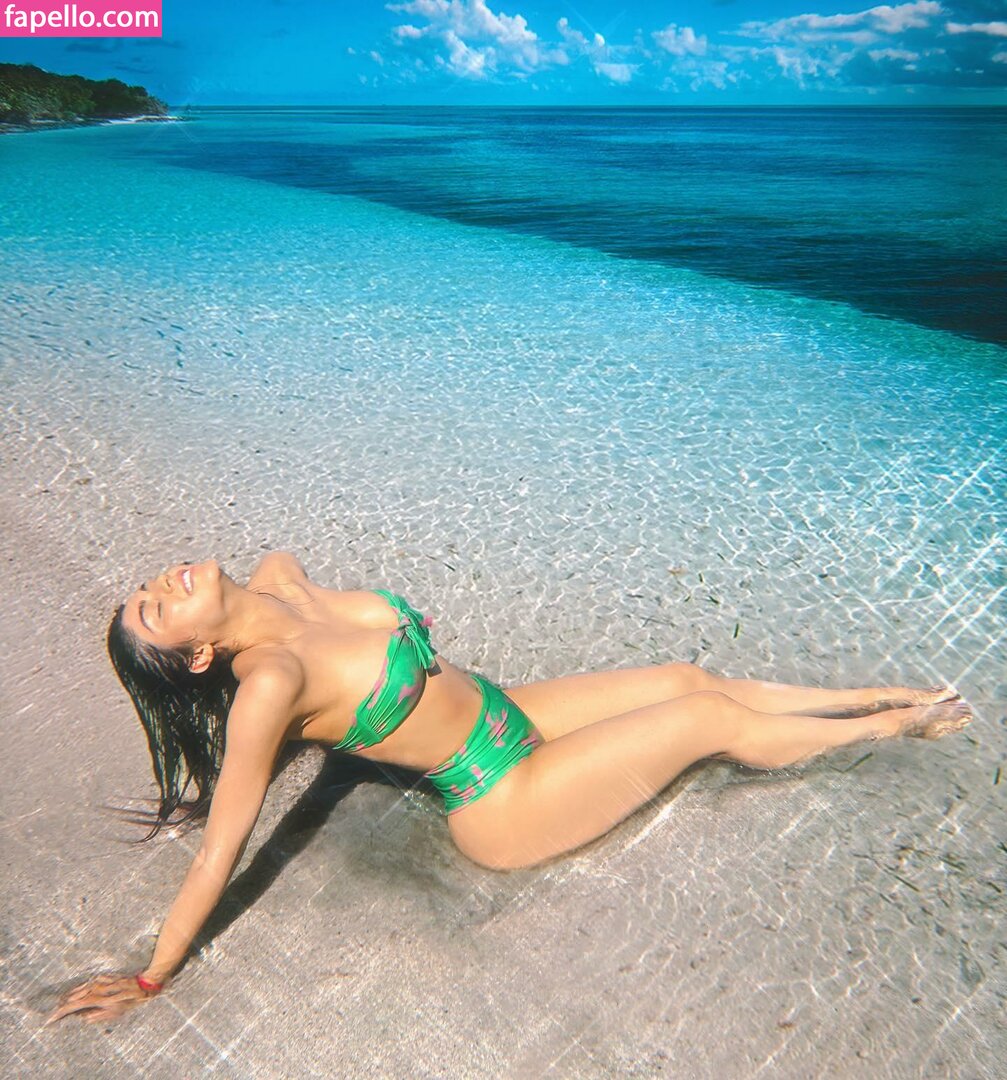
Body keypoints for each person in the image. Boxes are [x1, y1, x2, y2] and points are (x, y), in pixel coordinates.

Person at [45, 553, 971, 1025]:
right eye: (157, 610)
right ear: (199, 656)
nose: (162, 583)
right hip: (503, 795)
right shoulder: (267, 688)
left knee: (685, 678)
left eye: (150, 587)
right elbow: (221, 851)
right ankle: (888, 725)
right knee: (705, 720)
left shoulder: (282, 579)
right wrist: (150, 976)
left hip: (514, 714)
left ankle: (861, 693)